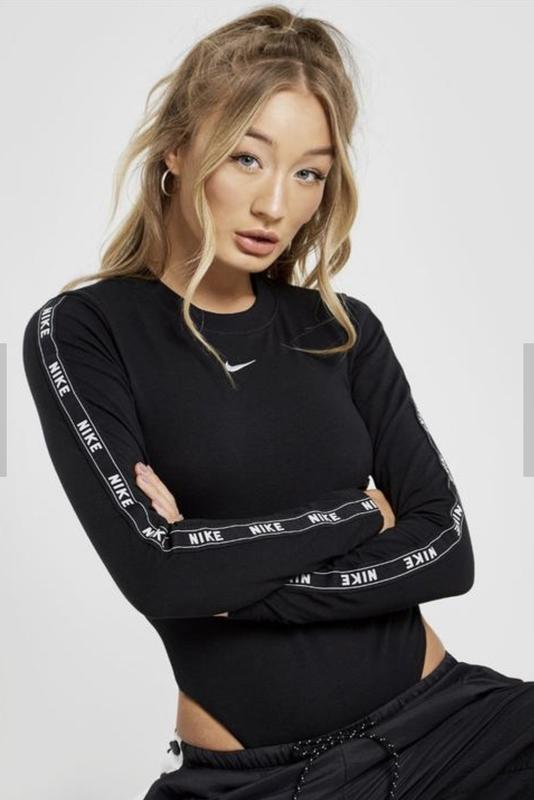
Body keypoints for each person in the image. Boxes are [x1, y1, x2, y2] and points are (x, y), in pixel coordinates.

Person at [22, 5, 534, 799]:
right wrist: (361, 515)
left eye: (309, 173)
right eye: (246, 157)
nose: (275, 205)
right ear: (177, 148)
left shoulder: (341, 328)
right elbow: (158, 572)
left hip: (456, 730)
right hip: (259, 781)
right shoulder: (85, 332)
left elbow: (447, 549)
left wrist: (223, 571)